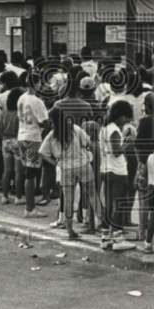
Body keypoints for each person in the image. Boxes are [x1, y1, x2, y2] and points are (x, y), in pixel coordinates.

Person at [38, 99, 100, 239]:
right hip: (83, 165)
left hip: (66, 168)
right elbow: (88, 142)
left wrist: (56, 163)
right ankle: (101, 223)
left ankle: (70, 230)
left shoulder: (53, 135)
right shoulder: (75, 129)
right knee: (92, 195)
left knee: (68, 199)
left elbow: (42, 153)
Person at [17, 76, 53, 218]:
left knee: (28, 171)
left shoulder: (21, 98)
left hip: (22, 134)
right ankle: (30, 207)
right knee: (31, 173)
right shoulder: (37, 101)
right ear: (36, 84)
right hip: (33, 136)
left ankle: (29, 206)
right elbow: (44, 121)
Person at [99, 100, 133, 249]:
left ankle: (105, 236)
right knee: (118, 203)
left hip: (106, 169)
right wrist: (127, 143)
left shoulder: (104, 128)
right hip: (117, 170)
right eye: (126, 117)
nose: (126, 121)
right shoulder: (114, 130)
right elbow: (116, 151)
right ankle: (118, 237)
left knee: (109, 203)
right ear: (120, 116)